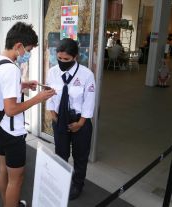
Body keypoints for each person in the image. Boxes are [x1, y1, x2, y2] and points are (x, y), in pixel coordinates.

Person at [0, 22, 55, 207]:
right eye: (28, 50)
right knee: (16, 179)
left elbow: (1, 89)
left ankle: (7, 203)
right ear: (18, 46)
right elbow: (11, 109)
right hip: (12, 133)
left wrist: (23, 85)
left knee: (3, 169)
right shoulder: (11, 69)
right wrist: (39, 98)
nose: (28, 54)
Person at [46, 38, 96, 200]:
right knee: (61, 153)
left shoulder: (86, 74)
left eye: (66, 59)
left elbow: (89, 100)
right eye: (59, 58)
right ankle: (61, 181)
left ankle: (77, 184)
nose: (62, 61)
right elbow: (49, 95)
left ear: (75, 57)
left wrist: (80, 123)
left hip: (80, 120)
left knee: (80, 156)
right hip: (60, 119)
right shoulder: (52, 72)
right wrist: (53, 114)